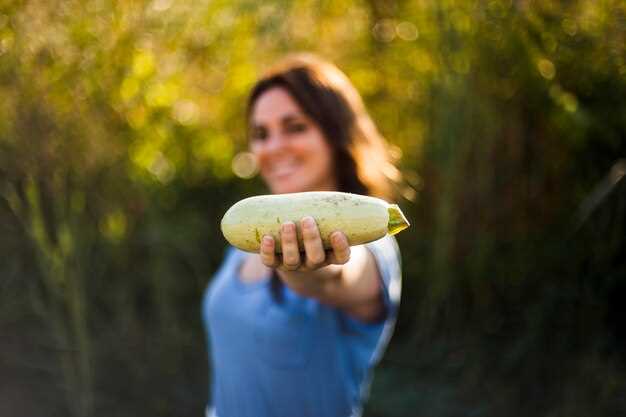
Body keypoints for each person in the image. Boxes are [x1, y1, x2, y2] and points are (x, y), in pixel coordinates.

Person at [202, 53, 403, 417]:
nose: (274, 147)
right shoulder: (248, 241)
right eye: (261, 134)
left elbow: (337, 276)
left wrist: (311, 271)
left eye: (295, 127)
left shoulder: (372, 244)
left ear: (336, 133)